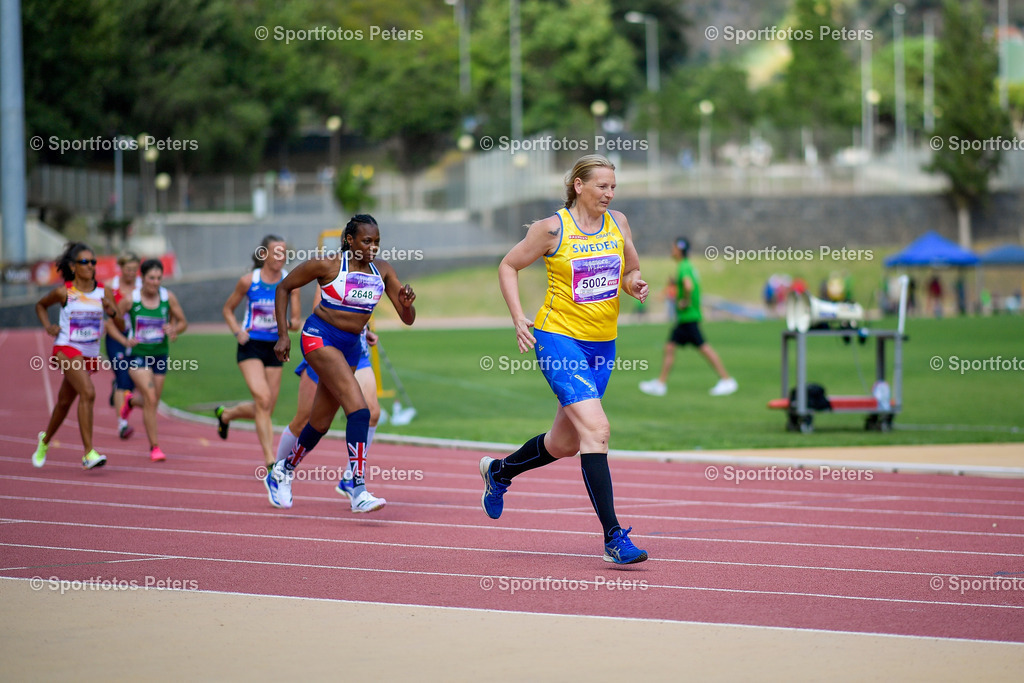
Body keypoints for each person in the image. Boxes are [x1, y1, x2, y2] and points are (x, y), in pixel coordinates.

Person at [480, 154, 649, 565]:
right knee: (598, 430)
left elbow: (630, 270)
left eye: (613, 187)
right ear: (579, 185)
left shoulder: (618, 224)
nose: (609, 193)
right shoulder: (552, 228)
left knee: (565, 443)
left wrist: (634, 284)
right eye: (602, 186)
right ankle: (613, 538)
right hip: (558, 340)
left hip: (602, 345)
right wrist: (519, 317)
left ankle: (500, 472)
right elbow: (508, 265)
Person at [267, 214, 415, 512]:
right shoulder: (328, 265)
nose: (373, 247)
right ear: (350, 240)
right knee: (360, 410)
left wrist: (408, 303)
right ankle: (357, 488)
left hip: (350, 348)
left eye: (377, 242)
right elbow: (283, 287)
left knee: (319, 423)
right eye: (366, 241)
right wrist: (283, 335)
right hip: (319, 337)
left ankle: (282, 470)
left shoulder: (383, 271)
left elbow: (407, 319)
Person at [271, 287, 385, 510]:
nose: (371, 250)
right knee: (310, 420)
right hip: (327, 347)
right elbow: (321, 311)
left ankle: (352, 481)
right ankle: (280, 472)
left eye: (375, 248)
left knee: (370, 412)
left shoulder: (372, 272)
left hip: (356, 350)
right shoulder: (335, 270)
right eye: (367, 248)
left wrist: (365, 329)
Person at [31, 242, 122, 469]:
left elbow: (120, 323)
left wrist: (111, 311)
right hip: (66, 347)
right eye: (85, 262)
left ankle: (45, 440)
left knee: (64, 402)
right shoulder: (65, 292)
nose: (91, 266)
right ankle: (88, 453)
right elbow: (40, 305)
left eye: (93, 262)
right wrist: (48, 326)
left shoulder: (104, 292)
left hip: (89, 352)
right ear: (73, 266)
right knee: (88, 392)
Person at [215, 235, 301, 468]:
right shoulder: (248, 281)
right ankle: (270, 460)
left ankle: (226, 415)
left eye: (284, 253)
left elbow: (296, 321)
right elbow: (227, 309)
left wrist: (284, 321)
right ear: (264, 254)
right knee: (263, 399)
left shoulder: (290, 282)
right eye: (277, 252)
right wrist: (236, 331)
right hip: (250, 345)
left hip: (276, 348)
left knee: (266, 407)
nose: (281, 258)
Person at [639, 237, 737, 398]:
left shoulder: (683, 267)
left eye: (673, 248)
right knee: (670, 347)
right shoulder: (689, 266)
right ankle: (660, 383)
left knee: (703, 347)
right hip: (687, 317)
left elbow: (688, 286)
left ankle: (727, 380)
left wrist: (684, 300)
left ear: (678, 249)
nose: (671, 250)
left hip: (688, 317)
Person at [113, 259, 188, 462]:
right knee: (151, 397)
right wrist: (123, 339)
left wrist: (175, 329)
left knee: (151, 402)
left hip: (160, 355)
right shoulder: (130, 300)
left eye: (158, 278)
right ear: (142, 278)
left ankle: (130, 401)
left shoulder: (167, 297)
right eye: (151, 278)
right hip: (137, 355)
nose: (155, 282)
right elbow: (110, 323)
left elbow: (183, 322)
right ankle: (155, 447)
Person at [106, 252, 140, 439]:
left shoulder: (142, 286)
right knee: (122, 375)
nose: (131, 273)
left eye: (135, 270)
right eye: (128, 269)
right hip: (116, 336)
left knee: (132, 379)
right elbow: (108, 321)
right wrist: (122, 339)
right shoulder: (111, 286)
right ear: (121, 268)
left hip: (136, 338)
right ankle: (122, 423)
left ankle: (117, 391)